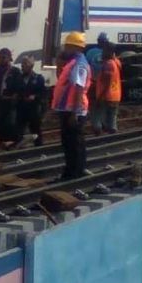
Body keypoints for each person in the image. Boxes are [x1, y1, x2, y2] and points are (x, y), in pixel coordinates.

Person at [52, 31, 92, 179]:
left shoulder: (79, 64)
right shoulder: (72, 63)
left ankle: (75, 172)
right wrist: (58, 64)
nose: (65, 49)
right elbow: (63, 82)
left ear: (77, 48)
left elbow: (79, 88)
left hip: (74, 111)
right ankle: (71, 170)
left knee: (74, 143)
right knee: (69, 143)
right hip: (67, 109)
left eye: (68, 47)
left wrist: (74, 113)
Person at [10, 55, 47, 146]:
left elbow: (43, 93)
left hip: (33, 109)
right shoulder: (19, 78)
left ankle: (39, 148)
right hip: (21, 108)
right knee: (18, 131)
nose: (22, 66)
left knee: (36, 130)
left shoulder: (38, 78)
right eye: (22, 64)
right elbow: (15, 90)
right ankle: (19, 148)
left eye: (25, 64)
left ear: (31, 66)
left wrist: (35, 96)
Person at [93, 43, 122, 134]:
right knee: (112, 120)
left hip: (106, 96)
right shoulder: (116, 62)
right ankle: (112, 137)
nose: (102, 53)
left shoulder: (108, 65)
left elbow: (107, 81)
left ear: (109, 52)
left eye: (104, 50)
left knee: (97, 116)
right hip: (115, 95)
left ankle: (98, 134)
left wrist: (100, 96)